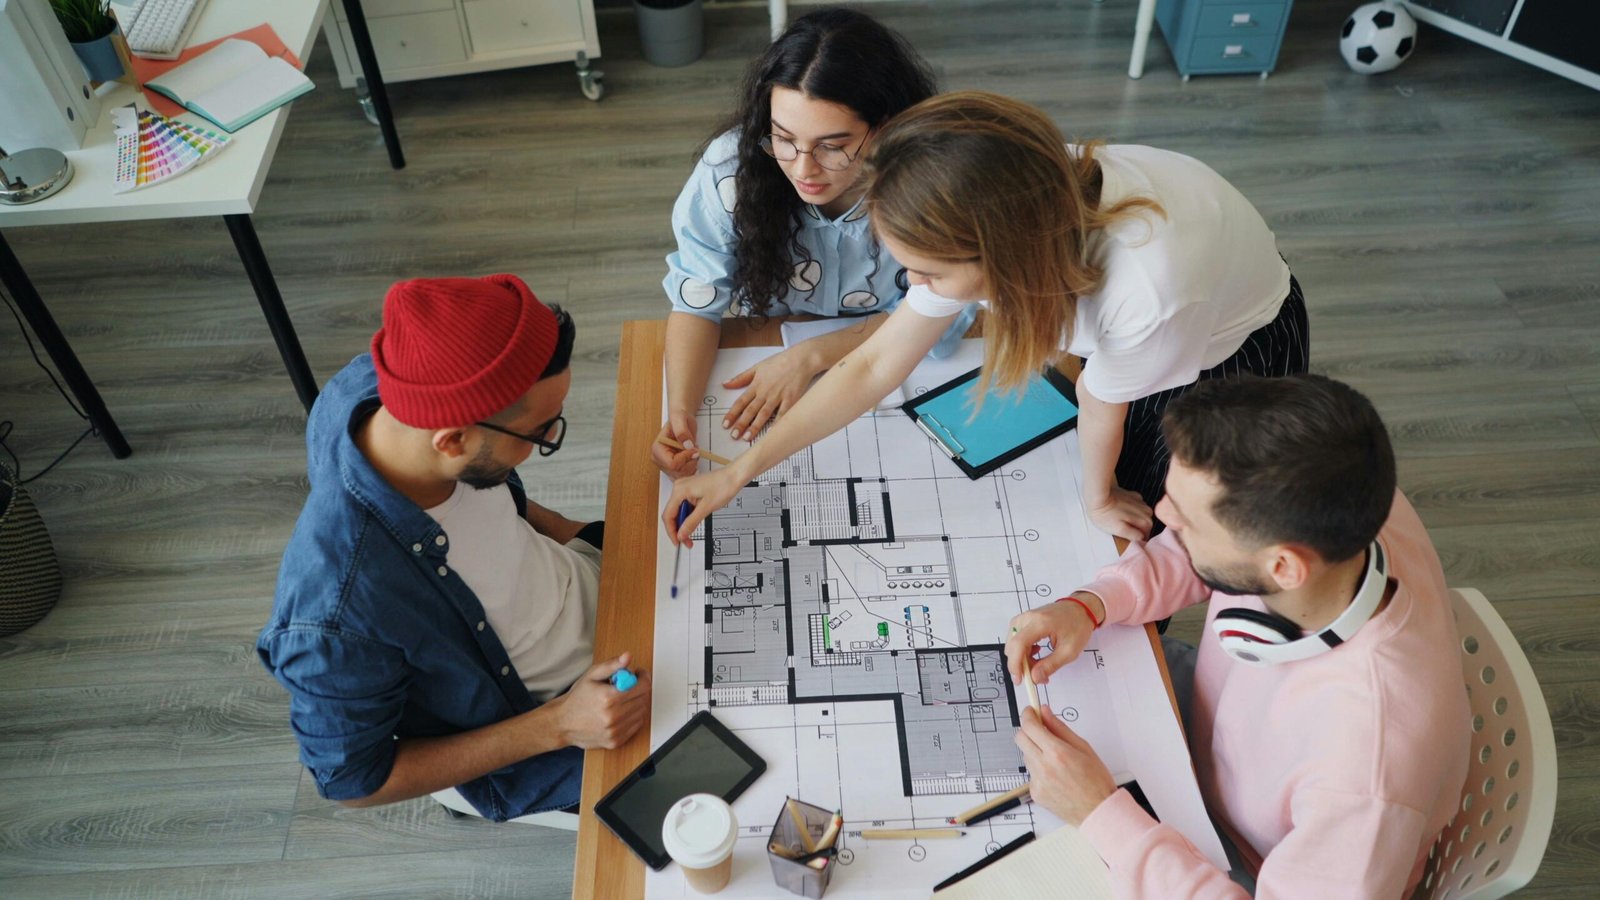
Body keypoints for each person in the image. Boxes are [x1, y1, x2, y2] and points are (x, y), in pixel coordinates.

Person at [660, 91, 1306, 545]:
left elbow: (1101, 400)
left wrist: (1100, 497)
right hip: (1136, 308)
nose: (915, 290)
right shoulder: (987, 202)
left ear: (1000, 255)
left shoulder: (1148, 290)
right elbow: (874, 365)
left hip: (1227, 346)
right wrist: (739, 472)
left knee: (1173, 516)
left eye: (930, 274)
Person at [1006, 374, 1471, 898]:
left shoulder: (1365, 777)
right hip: (1215, 743)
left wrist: (1099, 812)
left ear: (1284, 568)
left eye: (1187, 522)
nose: (1162, 515)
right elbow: (1198, 555)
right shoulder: (1340, 497)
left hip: (1250, 862)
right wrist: (1091, 605)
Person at [258, 275, 651, 822]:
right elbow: (353, 780)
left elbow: (494, 502)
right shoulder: (335, 614)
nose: (547, 441)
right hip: (562, 714)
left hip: (595, 592)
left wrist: (585, 533)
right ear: (451, 440)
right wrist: (561, 725)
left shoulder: (382, 391)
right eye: (539, 433)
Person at [652, 8, 974, 478]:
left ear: (885, 127)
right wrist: (680, 412)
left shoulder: (933, 183)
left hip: (896, 354)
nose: (803, 169)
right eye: (783, 138)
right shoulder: (730, 172)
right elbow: (696, 298)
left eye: (832, 146)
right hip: (781, 340)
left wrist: (813, 354)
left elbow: (950, 313)